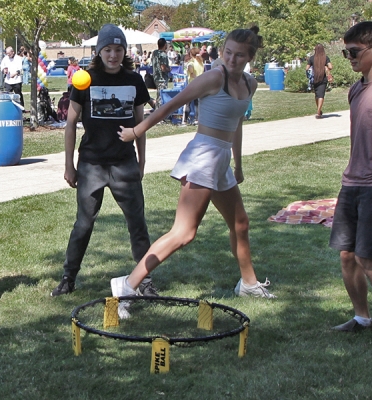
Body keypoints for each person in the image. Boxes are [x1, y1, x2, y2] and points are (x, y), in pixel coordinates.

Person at [111, 26, 276, 318]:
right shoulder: (214, 77)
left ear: (250, 57)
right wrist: (136, 131)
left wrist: (237, 164)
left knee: (240, 224)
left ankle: (249, 284)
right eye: (227, 53)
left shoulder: (249, 84)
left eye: (239, 55)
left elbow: (236, 125)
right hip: (203, 157)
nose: (231, 59)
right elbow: (170, 105)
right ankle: (128, 284)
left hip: (221, 158)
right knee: (184, 232)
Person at [51, 24, 157, 297]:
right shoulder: (85, 79)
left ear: (125, 51)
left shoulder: (134, 81)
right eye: (108, 49)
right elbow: (71, 123)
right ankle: (68, 277)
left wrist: (142, 162)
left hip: (124, 164)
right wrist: (69, 166)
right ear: (99, 52)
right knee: (84, 223)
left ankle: (144, 281)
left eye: (118, 49)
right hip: (92, 164)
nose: (113, 55)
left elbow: (139, 123)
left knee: (137, 224)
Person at [329, 21, 372, 344]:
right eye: (345, 52)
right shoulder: (356, 89)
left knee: (367, 258)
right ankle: (362, 317)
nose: (348, 57)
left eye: (353, 52)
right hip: (352, 182)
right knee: (347, 255)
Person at [306, 44, 333, 119]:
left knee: (317, 95)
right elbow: (330, 67)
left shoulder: (312, 58)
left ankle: (319, 109)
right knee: (321, 95)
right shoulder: (325, 58)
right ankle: (318, 111)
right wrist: (325, 67)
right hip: (323, 78)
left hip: (314, 79)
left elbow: (307, 68)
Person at [151, 38, 170, 109]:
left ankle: (157, 111)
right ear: (165, 45)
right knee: (161, 97)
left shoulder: (155, 53)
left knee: (159, 95)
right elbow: (163, 68)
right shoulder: (163, 55)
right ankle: (159, 114)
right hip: (162, 78)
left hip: (156, 76)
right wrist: (169, 69)